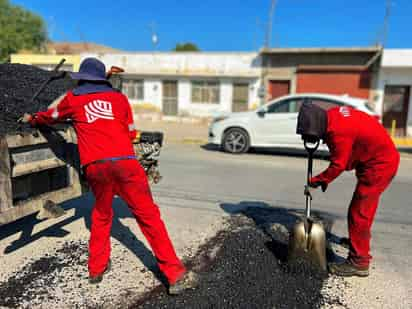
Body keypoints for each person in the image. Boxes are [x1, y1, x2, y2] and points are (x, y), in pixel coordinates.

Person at [18, 58, 197, 295]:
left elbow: (51, 116)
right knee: (149, 217)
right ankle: (174, 275)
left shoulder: (74, 98)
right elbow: (131, 132)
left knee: (102, 215)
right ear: (104, 79)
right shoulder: (120, 99)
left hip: (96, 167)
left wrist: (33, 119)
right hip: (126, 164)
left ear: (81, 78)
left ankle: (96, 269)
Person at [297, 101, 400, 277]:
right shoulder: (333, 115)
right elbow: (345, 152)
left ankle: (359, 262)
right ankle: (358, 242)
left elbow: (339, 164)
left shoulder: (338, 133)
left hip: (379, 166)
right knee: (363, 210)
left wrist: (318, 180)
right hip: (376, 158)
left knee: (359, 213)